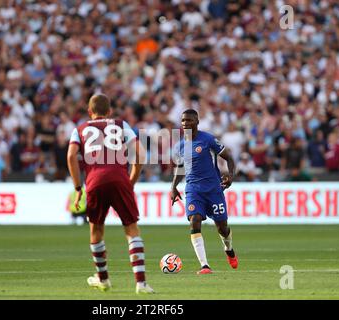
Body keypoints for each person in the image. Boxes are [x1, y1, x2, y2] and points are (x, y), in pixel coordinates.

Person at [67, 93, 154, 294]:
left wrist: (78, 187)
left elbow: (71, 155)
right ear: (110, 111)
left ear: (90, 112)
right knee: (131, 228)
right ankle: (141, 283)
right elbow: (139, 153)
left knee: (96, 230)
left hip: (95, 181)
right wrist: (131, 179)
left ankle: (103, 279)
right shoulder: (121, 125)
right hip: (119, 178)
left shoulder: (79, 129)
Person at [170, 109, 238, 275]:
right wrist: (173, 187)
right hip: (193, 190)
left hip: (214, 189)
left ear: (197, 122)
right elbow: (180, 168)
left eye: (189, 120)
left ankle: (228, 248)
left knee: (222, 227)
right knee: (194, 220)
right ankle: (204, 265)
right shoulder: (180, 145)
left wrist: (230, 175)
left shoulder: (207, 139)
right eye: (183, 120)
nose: (185, 123)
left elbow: (229, 157)